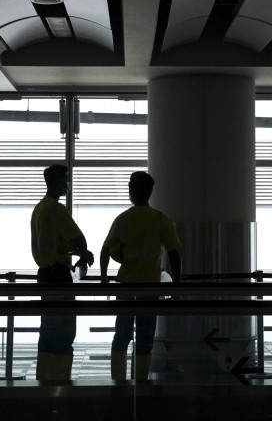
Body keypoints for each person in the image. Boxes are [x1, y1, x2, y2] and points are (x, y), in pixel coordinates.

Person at [99, 171, 182, 382]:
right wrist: (177, 284)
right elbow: (174, 253)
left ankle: (118, 380)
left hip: (125, 286)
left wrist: (104, 279)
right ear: (150, 192)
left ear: (131, 191)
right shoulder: (161, 219)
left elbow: (104, 250)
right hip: (150, 287)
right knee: (145, 336)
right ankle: (141, 381)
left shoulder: (123, 218)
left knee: (122, 334)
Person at [31, 164, 94, 381]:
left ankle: (45, 376)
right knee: (65, 328)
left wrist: (73, 251)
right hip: (58, 275)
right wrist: (84, 253)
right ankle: (60, 377)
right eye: (66, 180)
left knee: (48, 328)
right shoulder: (57, 210)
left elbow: (50, 243)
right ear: (57, 182)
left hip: (44, 274)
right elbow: (78, 236)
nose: (68, 185)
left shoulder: (39, 208)